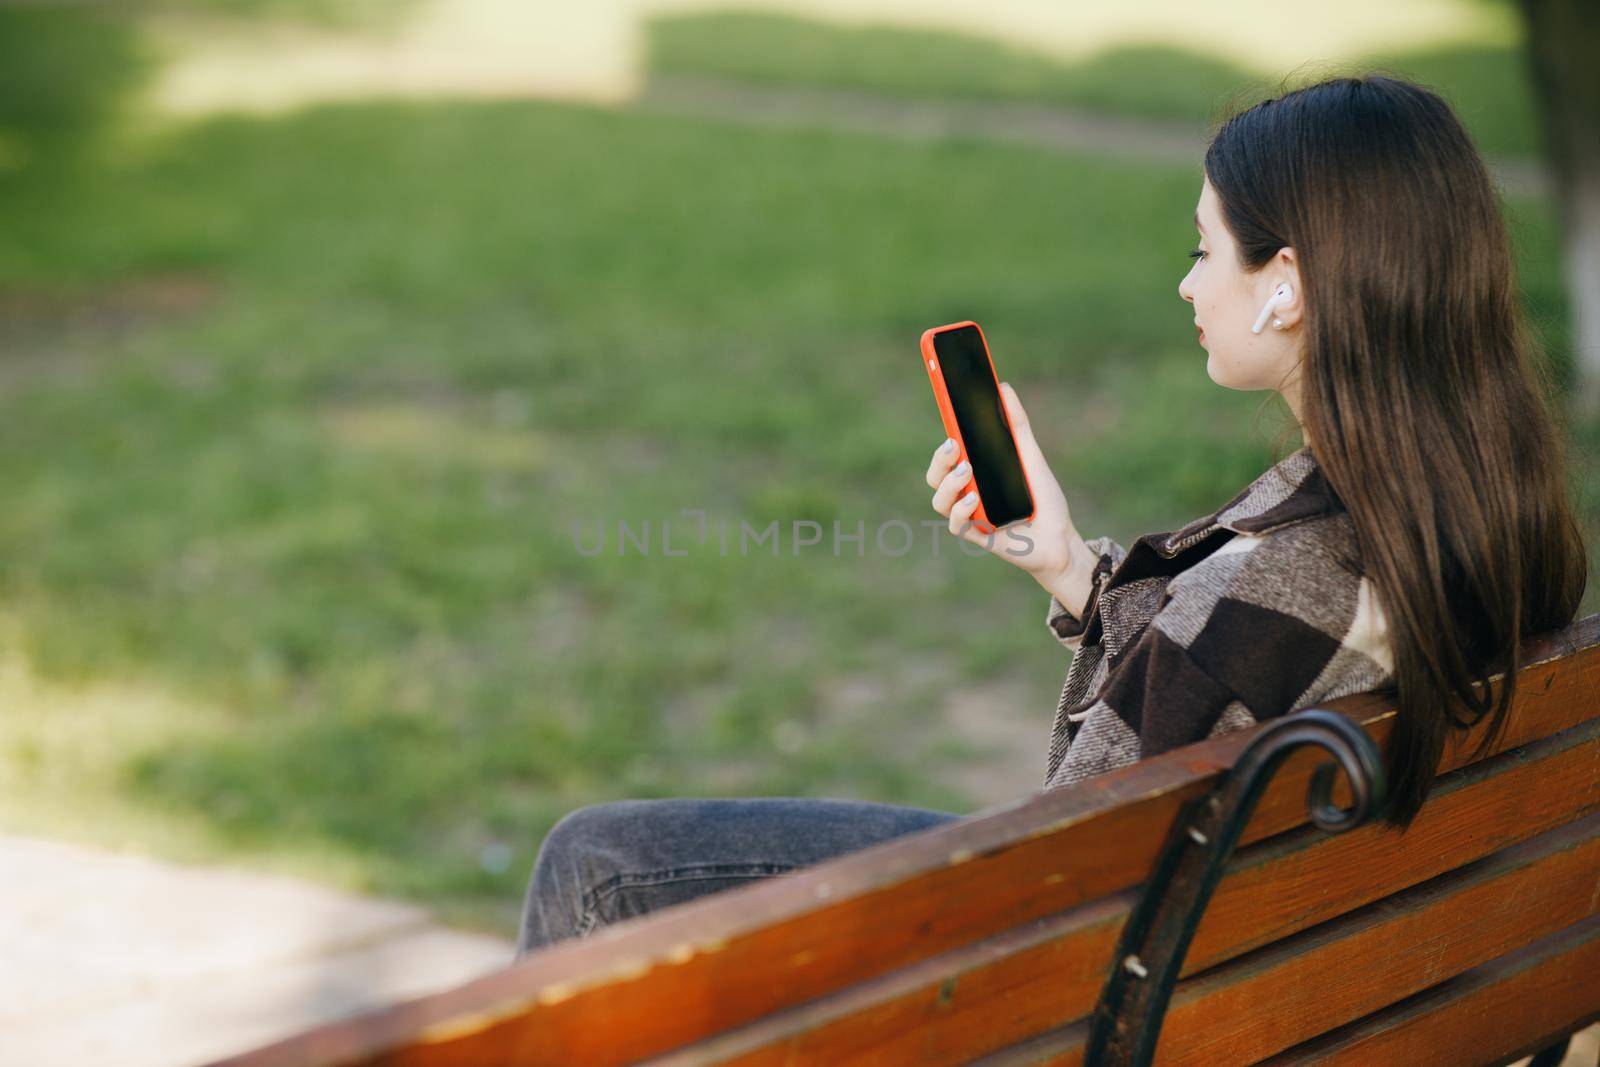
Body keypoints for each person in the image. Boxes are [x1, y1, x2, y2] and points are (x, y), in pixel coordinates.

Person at [516, 73, 1588, 958]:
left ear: (1287, 285)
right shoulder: (1493, 516)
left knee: (595, 865)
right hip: (1327, 984)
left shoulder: (1269, 587)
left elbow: (1052, 877)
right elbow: (1211, 669)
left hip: (1100, 993)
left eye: (1203, 249)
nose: (1184, 285)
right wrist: (1069, 565)